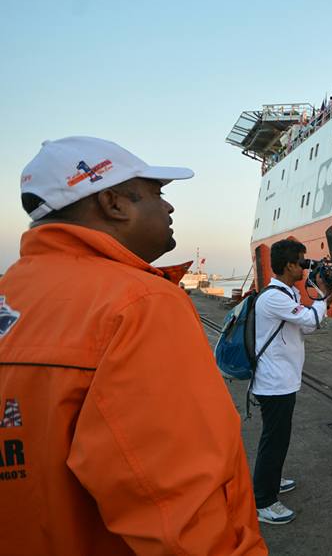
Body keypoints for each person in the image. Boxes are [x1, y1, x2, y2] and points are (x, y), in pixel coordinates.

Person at [0, 137, 266, 553]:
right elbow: (177, 509)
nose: (169, 207)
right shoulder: (141, 305)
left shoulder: (11, 293)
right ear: (114, 204)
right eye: (157, 193)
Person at [251, 239, 332, 525]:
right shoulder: (274, 297)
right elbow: (312, 319)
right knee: (273, 441)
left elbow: (307, 325)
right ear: (289, 265)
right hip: (274, 382)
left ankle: (272, 481)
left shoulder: (286, 293)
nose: (304, 267)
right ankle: (263, 502)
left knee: (278, 438)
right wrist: (324, 294)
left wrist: (327, 298)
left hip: (282, 379)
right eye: (301, 261)